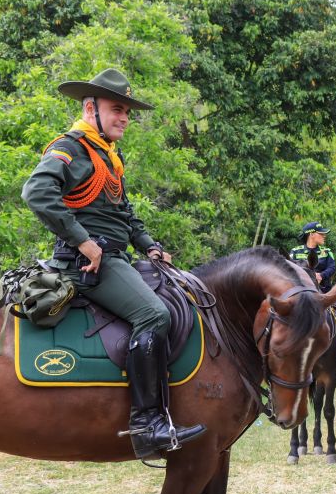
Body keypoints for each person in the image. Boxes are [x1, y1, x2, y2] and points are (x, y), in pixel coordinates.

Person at [22, 68, 205, 459]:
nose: (124, 117)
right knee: (155, 315)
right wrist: (83, 241)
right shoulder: (70, 147)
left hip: (116, 256)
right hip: (86, 264)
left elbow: (123, 212)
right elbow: (36, 191)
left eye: (127, 111)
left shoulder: (106, 156)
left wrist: (150, 247)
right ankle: (147, 423)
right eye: (116, 108)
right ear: (91, 108)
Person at [289, 222, 336, 367]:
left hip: (325, 291)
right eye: (321, 233)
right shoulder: (295, 252)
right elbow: (289, 268)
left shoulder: (326, 251)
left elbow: (332, 267)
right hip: (302, 293)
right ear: (311, 234)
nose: (324, 236)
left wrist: (321, 275)